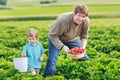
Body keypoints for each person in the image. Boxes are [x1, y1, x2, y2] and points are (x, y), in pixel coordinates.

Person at [44, 4, 90, 77]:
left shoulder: (86, 21)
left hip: (72, 39)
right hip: (56, 39)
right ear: (74, 14)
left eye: (83, 16)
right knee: (52, 60)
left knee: (84, 58)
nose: (81, 19)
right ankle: (47, 77)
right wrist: (63, 47)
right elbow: (52, 35)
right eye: (79, 15)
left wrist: (82, 48)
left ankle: (86, 76)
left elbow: (84, 36)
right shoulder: (63, 20)